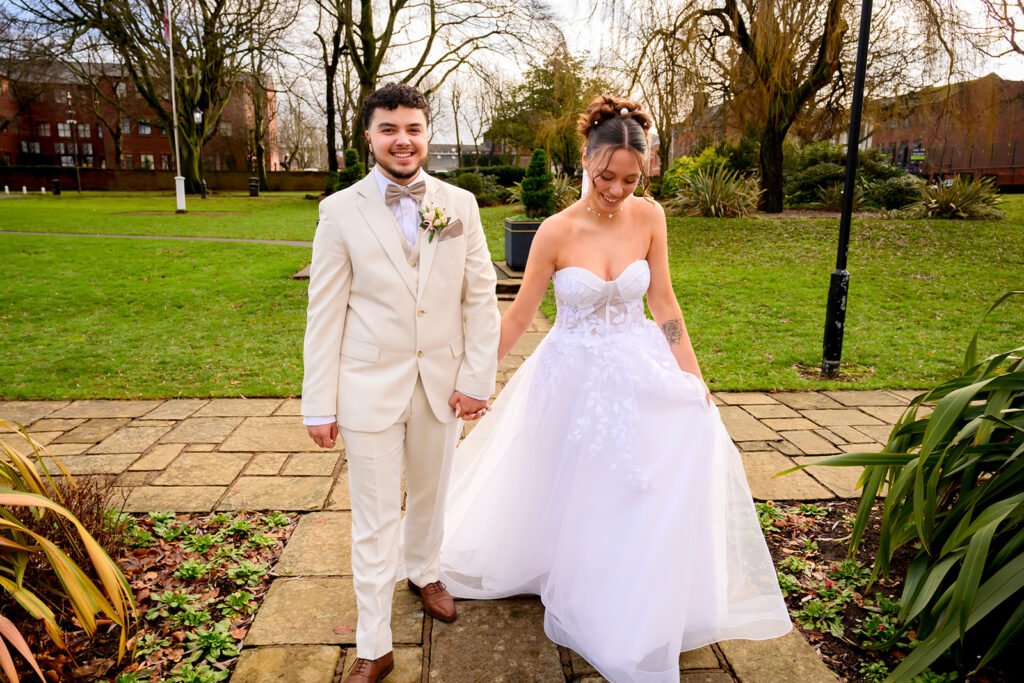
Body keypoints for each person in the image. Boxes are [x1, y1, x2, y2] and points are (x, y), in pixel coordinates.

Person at [438, 96, 792, 682]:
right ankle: (575, 573)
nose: (617, 189)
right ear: (585, 159)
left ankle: (631, 589)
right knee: (575, 482)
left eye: (631, 178)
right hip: (569, 375)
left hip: (637, 365)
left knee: (643, 477)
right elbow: (522, 317)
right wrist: (475, 380)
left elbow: (663, 301)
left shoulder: (650, 218)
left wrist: (692, 376)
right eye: (606, 176)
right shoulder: (554, 232)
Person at [302, 82, 500, 683]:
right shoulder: (339, 211)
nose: (402, 140)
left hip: (443, 385)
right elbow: (325, 310)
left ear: (427, 133)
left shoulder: (459, 205)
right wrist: (319, 402)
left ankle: (425, 571)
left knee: (434, 494)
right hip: (368, 386)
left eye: (412, 128)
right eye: (389, 129)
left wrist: (476, 380)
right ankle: (373, 644)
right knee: (374, 516)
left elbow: (480, 299)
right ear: (369, 136)